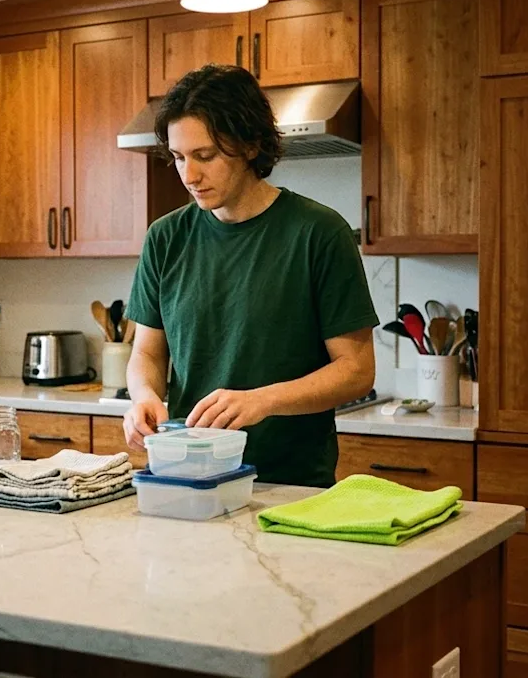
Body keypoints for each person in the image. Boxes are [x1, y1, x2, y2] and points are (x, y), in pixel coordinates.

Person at [122, 63, 378, 488]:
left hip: (290, 486)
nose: (189, 175)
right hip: (188, 478)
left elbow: (356, 370)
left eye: (206, 156)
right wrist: (144, 397)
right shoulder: (165, 238)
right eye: (179, 157)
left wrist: (265, 400)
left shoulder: (318, 233)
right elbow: (147, 353)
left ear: (251, 145)